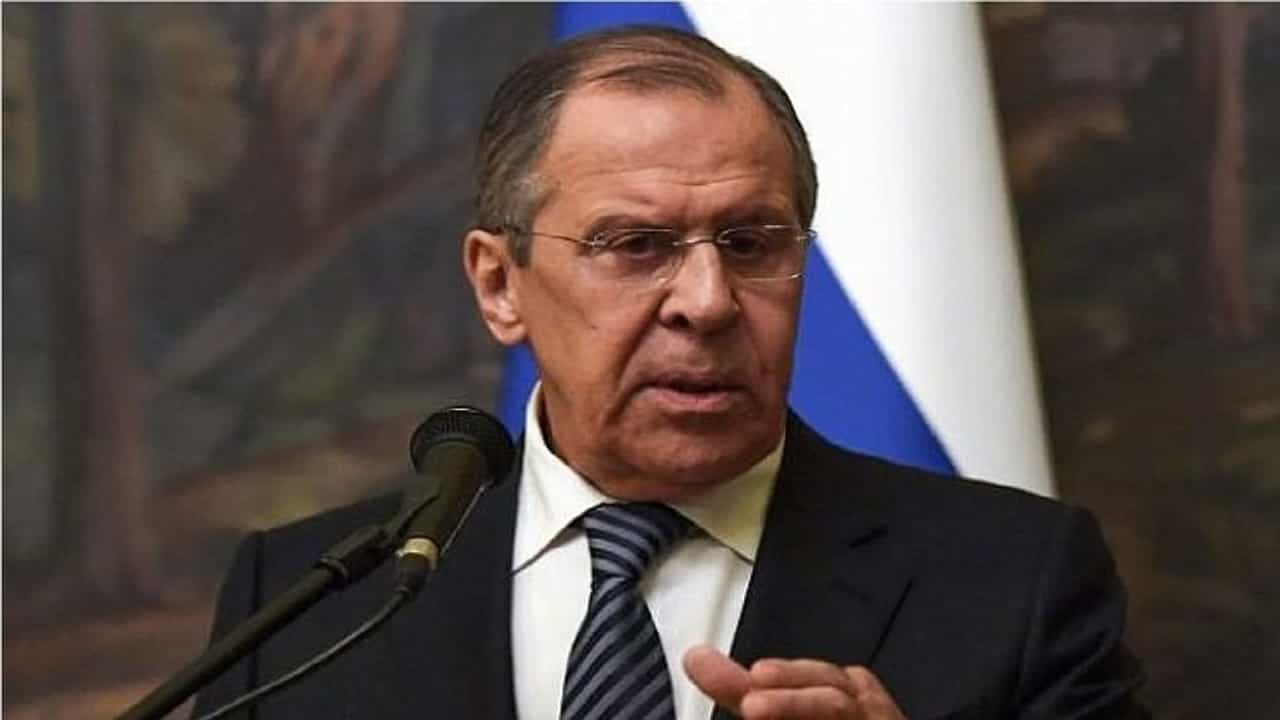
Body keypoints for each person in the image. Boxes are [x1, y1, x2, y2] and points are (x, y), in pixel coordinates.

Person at [193, 25, 1146, 720]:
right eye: (636, 245)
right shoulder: (307, 600)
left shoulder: (1013, 580)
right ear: (499, 284)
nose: (708, 300)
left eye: (751, 242)